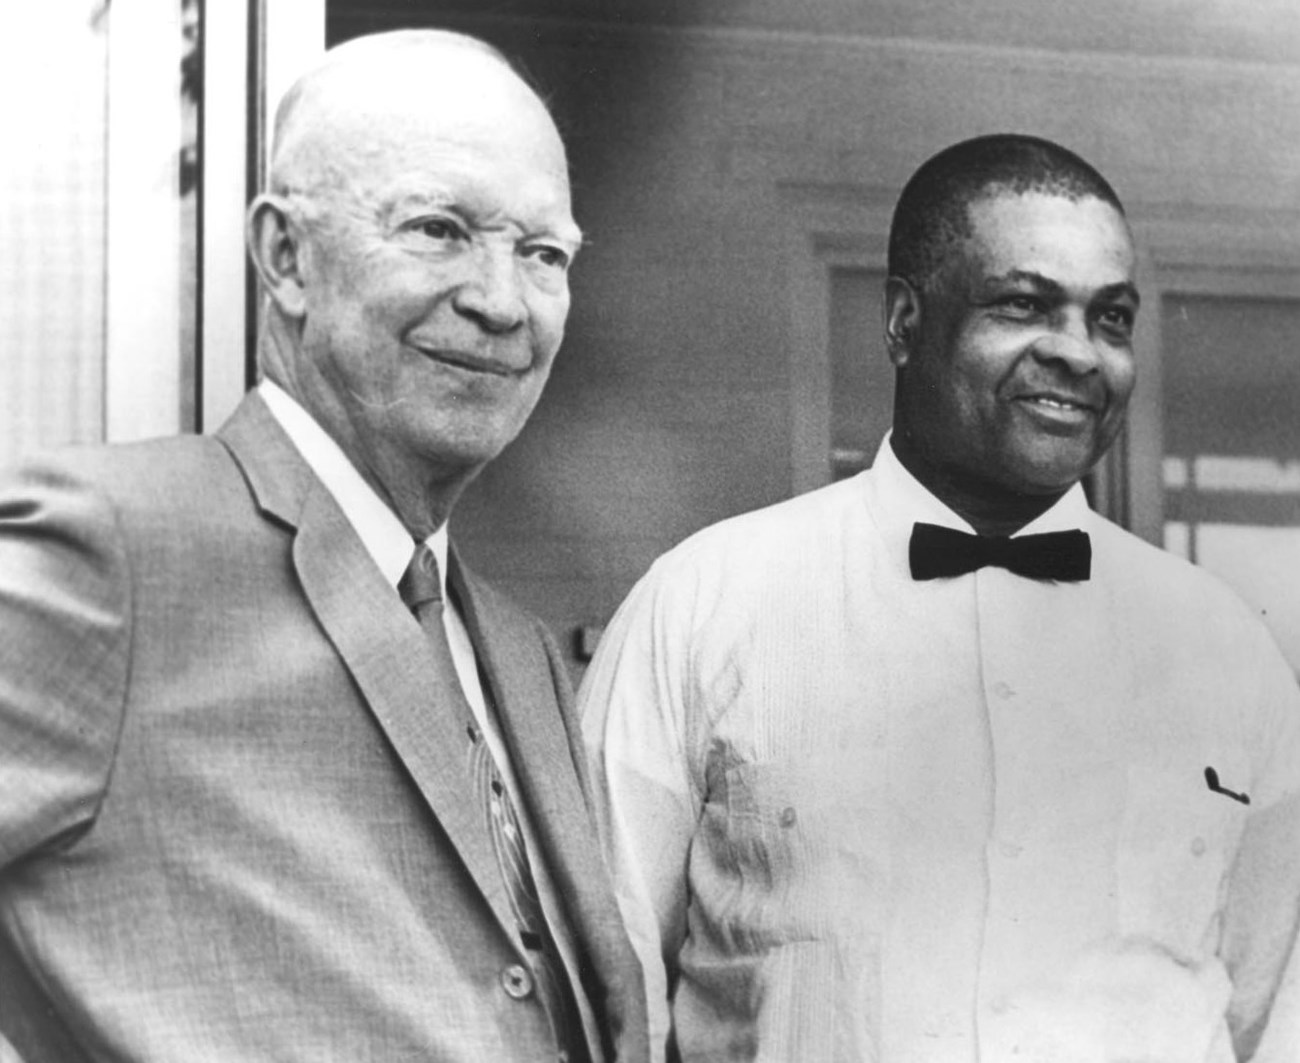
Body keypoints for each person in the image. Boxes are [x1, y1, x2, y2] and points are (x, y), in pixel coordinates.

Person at [579, 133, 1300, 1062]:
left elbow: (1276, 1013)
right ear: (905, 323)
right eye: (1024, 304)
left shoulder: (1226, 648)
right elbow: (607, 986)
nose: (1079, 354)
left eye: (1111, 318)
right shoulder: (703, 604)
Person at [0, 29, 647, 1063]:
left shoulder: (518, 654)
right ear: (283, 256)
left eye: (543, 253)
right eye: (439, 229)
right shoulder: (117, 553)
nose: (501, 300)